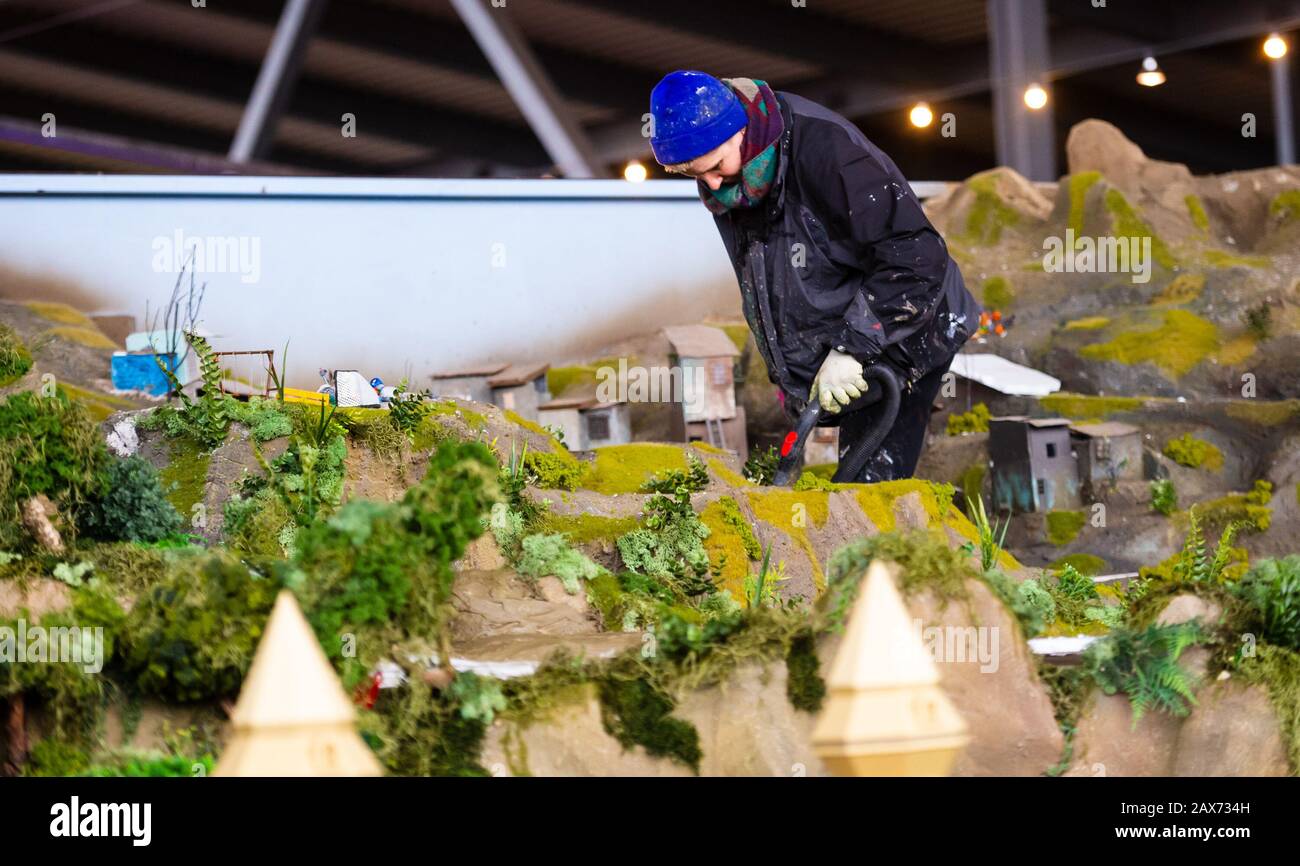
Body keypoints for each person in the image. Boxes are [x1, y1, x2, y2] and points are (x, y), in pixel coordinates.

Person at [649, 71, 979, 481]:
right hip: (852, 340)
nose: (712, 183)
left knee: (869, 487)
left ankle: (895, 540)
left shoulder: (829, 152)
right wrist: (790, 377)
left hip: (909, 326)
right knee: (847, 487)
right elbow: (768, 282)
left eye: (716, 166)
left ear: (741, 132)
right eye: (695, 175)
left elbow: (916, 257)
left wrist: (852, 348)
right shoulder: (737, 183)